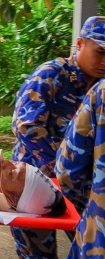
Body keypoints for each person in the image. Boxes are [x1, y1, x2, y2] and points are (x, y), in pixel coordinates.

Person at [10, 15, 105, 258]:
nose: (104, 61)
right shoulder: (52, 74)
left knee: (90, 246)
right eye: (100, 52)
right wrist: (59, 164)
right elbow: (25, 126)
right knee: (37, 253)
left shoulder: (100, 86)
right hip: (35, 183)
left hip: (82, 189)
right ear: (80, 44)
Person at [56, 77, 105, 258]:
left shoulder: (101, 92)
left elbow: (66, 172)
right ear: (80, 46)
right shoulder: (48, 75)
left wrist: (93, 201)